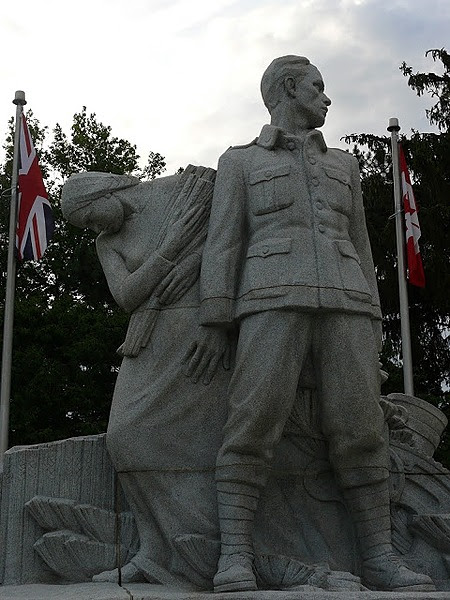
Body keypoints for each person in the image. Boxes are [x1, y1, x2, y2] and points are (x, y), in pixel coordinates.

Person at [200, 55, 434, 592]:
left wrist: (374, 316)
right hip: (270, 297)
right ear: (289, 89)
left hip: (347, 303)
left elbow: (361, 245)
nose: (327, 98)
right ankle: (234, 556)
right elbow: (226, 241)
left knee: (359, 430)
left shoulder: (344, 166)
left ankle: (379, 557)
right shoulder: (240, 162)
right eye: (317, 88)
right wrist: (216, 320)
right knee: (252, 421)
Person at [61, 168, 231, 584]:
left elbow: (232, 240)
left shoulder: (184, 189)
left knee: (199, 442)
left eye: (91, 216)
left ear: (102, 190)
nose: (95, 227)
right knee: (124, 436)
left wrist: (194, 263)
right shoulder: (107, 243)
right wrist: (172, 249)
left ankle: (209, 545)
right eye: (87, 226)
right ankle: (155, 549)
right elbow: (128, 295)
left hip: (200, 334)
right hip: (149, 338)